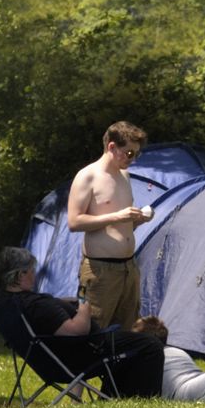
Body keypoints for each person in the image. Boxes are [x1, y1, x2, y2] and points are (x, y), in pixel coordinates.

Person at [0, 246, 164, 400]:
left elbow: (48, 317)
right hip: (81, 356)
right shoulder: (35, 305)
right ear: (20, 275)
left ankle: (113, 397)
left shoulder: (2, 300)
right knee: (150, 345)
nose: (34, 274)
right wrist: (84, 310)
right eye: (31, 270)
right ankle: (145, 400)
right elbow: (76, 331)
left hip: (53, 360)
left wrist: (60, 303)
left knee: (127, 344)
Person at [66, 120, 154, 328]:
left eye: (136, 154)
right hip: (99, 270)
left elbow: (122, 225)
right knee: (94, 328)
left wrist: (137, 220)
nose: (132, 159)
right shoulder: (88, 176)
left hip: (128, 267)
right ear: (112, 147)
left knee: (129, 329)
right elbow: (74, 221)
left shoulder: (124, 175)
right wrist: (117, 216)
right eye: (130, 153)